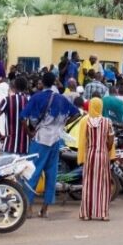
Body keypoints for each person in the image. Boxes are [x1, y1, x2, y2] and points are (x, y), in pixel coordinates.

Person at [20, 72, 80, 218]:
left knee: (32, 173)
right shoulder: (62, 99)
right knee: (51, 175)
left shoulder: (37, 97)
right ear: (54, 82)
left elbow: (23, 117)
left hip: (40, 139)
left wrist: (29, 133)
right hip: (56, 140)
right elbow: (76, 113)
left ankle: (28, 208)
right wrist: (62, 125)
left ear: (42, 82)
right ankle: (45, 209)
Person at [78, 96, 114, 221]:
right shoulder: (107, 122)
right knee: (102, 184)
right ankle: (104, 214)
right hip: (103, 154)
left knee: (88, 184)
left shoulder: (86, 122)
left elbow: (84, 141)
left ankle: (86, 213)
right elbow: (110, 141)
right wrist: (107, 148)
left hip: (90, 155)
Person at [0, 76, 30, 155]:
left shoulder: (7, 100)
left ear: (14, 86)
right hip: (24, 146)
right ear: (26, 87)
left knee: (8, 167)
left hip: (9, 145)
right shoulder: (29, 101)